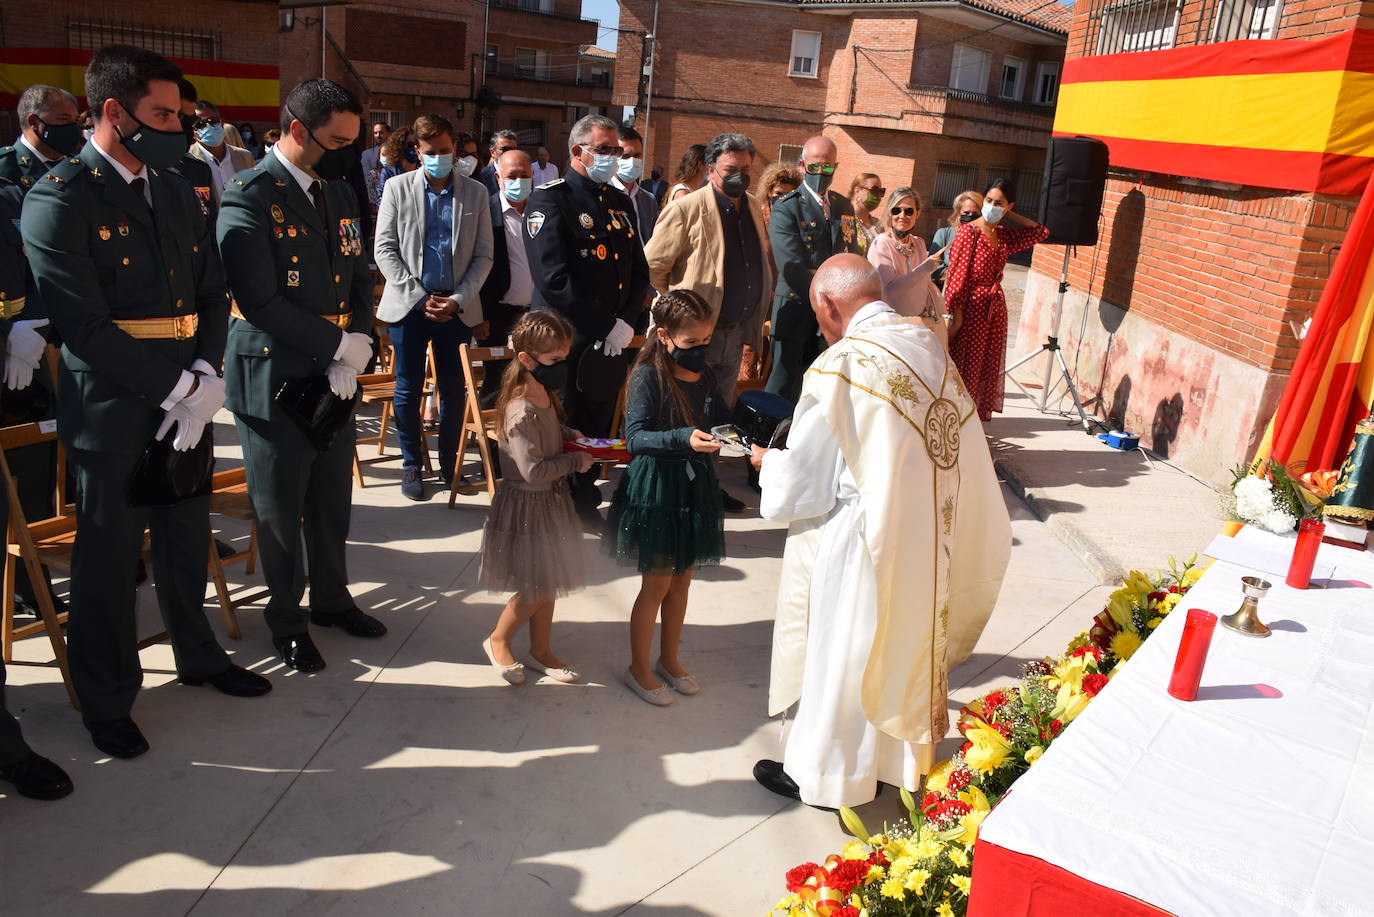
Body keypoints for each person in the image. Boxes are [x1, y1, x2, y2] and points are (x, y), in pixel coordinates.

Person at [22, 45, 272, 759]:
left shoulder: (176, 187)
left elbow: (210, 289)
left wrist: (204, 372)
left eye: (181, 115)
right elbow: (84, 325)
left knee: (186, 538)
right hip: (115, 405)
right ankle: (107, 697)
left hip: (187, 395)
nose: (176, 126)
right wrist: (179, 387)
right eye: (161, 114)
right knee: (108, 561)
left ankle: (197, 655)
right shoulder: (61, 196)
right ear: (112, 111)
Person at [750, 254, 1010, 808]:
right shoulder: (931, 352)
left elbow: (806, 485)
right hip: (925, 534)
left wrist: (768, 464)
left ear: (826, 304)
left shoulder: (842, 367)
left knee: (845, 653)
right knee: (902, 644)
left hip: (861, 537)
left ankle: (826, 776)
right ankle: (895, 765)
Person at [217, 76, 385, 674]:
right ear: (296, 129)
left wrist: (359, 340)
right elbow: (258, 299)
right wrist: (337, 341)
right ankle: (286, 621)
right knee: (280, 511)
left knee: (331, 499)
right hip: (274, 373)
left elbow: (360, 272)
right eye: (334, 141)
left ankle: (333, 601)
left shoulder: (337, 194)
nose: (345, 153)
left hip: (336, 369)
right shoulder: (248, 194)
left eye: (352, 142)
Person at [523, 113, 650, 528]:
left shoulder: (616, 201)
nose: (614, 157)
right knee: (565, 424)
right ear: (577, 151)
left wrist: (627, 321)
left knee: (597, 421)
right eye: (605, 150)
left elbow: (638, 270)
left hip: (611, 338)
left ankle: (585, 497)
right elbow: (553, 279)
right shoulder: (550, 199)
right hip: (567, 339)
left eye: (617, 150)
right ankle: (560, 504)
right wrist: (604, 324)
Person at [605, 290, 728, 707]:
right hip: (658, 487)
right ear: (665, 335)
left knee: (682, 581)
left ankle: (669, 660)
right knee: (656, 584)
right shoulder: (648, 376)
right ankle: (638, 668)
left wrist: (734, 436)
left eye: (706, 340)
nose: (700, 349)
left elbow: (720, 418)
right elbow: (634, 438)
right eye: (691, 342)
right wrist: (682, 438)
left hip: (695, 486)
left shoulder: (706, 376)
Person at [643, 131, 770, 514]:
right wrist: (674, 315)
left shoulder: (751, 205)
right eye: (733, 169)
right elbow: (652, 267)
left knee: (718, 419)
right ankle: (673, 492)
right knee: (682, 415)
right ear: (711, 168)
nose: (741, 176)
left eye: (747, 169)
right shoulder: (687, 208)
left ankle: (706, 489)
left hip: (733, 334)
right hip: (693, 338)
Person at [374, 113, 493, 500]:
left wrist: (457, 300)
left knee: (454, 391)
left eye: (445, 151)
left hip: (456, 308)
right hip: (410, 306)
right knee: (407, 389)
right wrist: (420, 296)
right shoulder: (396, 188)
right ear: (417, 151)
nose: (439, 157)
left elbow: (484, 256)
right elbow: (385, 250)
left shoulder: (475, 193)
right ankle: (412, 463)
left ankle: (448, 464)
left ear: (454, 150)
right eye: (431, 152)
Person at [479, 310, 593, 685]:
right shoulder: (519, 409)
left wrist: (566, 433)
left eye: (564, 358)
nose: (562, 366)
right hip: (527, 504)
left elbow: (547, 429)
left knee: (549, 579)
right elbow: (533, 470)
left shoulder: (542, 394)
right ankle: (498, 640)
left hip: (550, 501)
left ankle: (541, 649)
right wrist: (575, 460)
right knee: (536, 586)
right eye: (554, 360)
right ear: (527, 359)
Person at [764, 135, 861, 403]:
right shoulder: (787, 207)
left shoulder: (844, 206)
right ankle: (768, 443)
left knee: (819, 390)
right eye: (815, 167)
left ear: (835, 167)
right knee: (783, 387)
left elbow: (852, 253)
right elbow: (791, 266)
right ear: (802, 165)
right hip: (797, 309)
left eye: (827, 167)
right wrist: (826, 302)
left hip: (834, 316)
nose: (821, 173)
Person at [944, 178, 1049, 422]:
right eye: (988, 200)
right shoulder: (969, 232)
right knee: (966, 369)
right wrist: (957, 320)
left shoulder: (1002, 235)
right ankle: (958, 421)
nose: (991, 206)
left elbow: (1040, 231)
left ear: (1008, 206)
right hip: (971, 311)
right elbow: (957, 278)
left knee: (984, 369)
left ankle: (973, 422)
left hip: (994, 310)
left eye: (998, 203)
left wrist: (1009, 215)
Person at [477, 148, 537, 408]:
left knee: (533, 382)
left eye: (525, 175)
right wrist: (479, 316)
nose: (519, 181)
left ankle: (526, 444)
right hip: (497, 314)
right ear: (498, 177)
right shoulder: (485, 211)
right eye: (512, 175)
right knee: (497, 382)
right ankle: (490, 447)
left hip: (535, 313)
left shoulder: (542, 211)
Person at [868, 187, 946, 347]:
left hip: (917, 327)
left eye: (909, 211)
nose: (902, 216)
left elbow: (924, 285)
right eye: (896, 210)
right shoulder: (881, 243)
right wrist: (925, 268)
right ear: (890, 213)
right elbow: (891, 289)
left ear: (917, 214)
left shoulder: (918, 243)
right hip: (889, 328)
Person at [1, 84, 81, 189]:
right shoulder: (5, 167)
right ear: (34, 122)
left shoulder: (79, 165)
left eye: (76, 120)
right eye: (64, 119)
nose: (73, 127)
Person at [189, 100, 254, 194]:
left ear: (222, 122)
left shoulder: (245, 157)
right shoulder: (188, 160)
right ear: (194, 130)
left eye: (213, 121)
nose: (208, 127)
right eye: (200, 124)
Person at [611, 126, 658, 243]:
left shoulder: (649, 200)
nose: (632, 161)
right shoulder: (603, 195)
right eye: (626, 156)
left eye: (637, 155)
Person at [930, 190, 982, 288]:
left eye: (975, 213)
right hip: (946, 294)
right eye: (966, 213)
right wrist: (954, 274)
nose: (970, 216)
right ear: (958, 213)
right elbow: (931, 269)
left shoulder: (983, 238)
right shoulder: (944, 234)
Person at [847, 172, 884, 253]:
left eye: (881, 191)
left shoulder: (877, 224)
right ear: (857, 191)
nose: (877, 195)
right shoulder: (844, 220)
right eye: (874, 190)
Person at [758, 163, 801, 228]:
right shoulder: (757, 216)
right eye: (779, 193)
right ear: (769, 192)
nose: (783, 198)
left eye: (788, 194)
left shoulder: (799, 220)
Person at [361, 122, 391, 211]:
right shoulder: (367, 154)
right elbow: (366, 177)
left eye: (381, 132)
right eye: (375, 133)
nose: (378, 135)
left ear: (388, 133)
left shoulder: (396, 152)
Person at [480, 129, 519, 195]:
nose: (509, 153)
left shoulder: (523, 175)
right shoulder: (482, 175)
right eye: (505, 149)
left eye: (513, 149)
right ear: (492, 152)